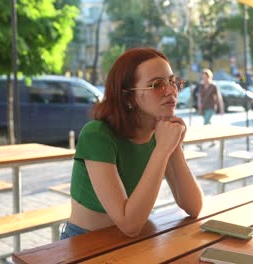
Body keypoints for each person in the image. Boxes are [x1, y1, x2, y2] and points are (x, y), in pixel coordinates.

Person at [60, 48, 204, 239]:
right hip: (86, 242)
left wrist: (173, 145)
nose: (171, 90)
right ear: (129, 97)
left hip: (136, 241)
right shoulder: (97, 135)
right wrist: (162, 149)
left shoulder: (160, 133)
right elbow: (129, 224)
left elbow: (193, 207)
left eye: (172, 81)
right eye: (157, 84)